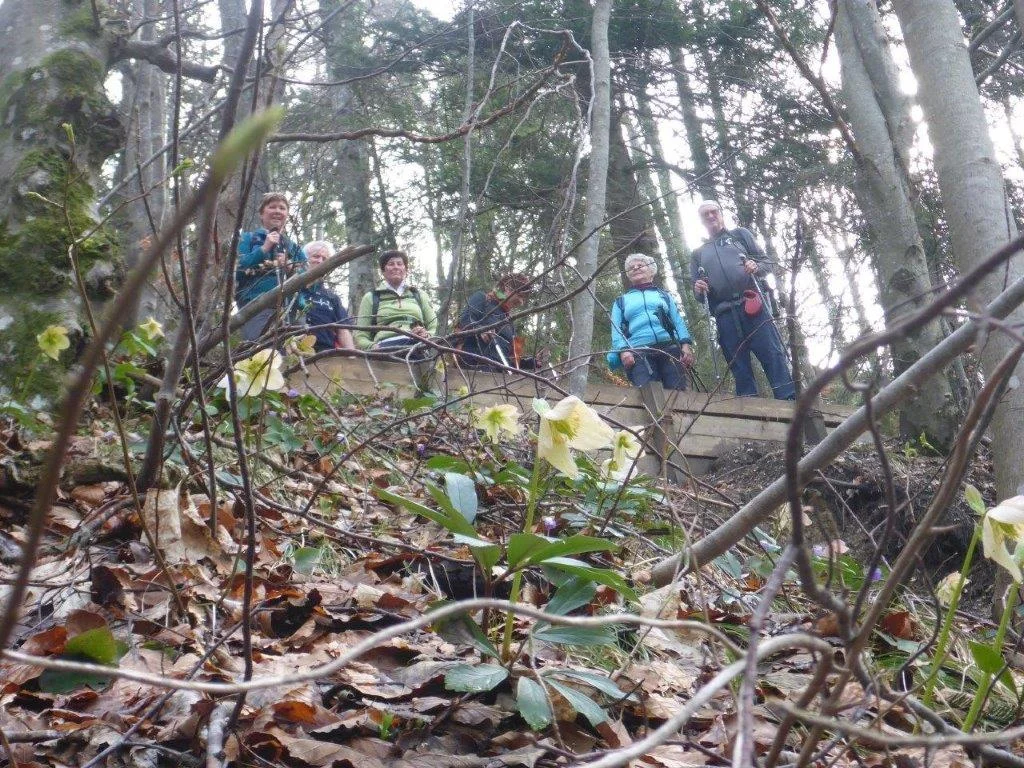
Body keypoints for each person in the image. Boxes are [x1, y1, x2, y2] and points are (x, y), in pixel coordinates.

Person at [690, 200, 795, 400]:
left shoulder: (740, 235)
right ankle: (749, 406)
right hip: (724, 313)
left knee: (772, 353)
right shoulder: (698, 254)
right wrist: (698, 288)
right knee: (737, 362)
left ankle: (789, 399)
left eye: (714, 212)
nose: (710, 216)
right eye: (705, 214)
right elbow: (698, 294)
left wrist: (756, 266)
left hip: (753, 304)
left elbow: (766, 262)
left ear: (721, 214)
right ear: (701, 220)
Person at [607, 253, 695, 390]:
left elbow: (678, 321)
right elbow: (616, 329)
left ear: (651, 271)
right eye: (631, 267)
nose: (635, 268)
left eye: (640, 265)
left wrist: (685, 345)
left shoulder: (664, 296)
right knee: (647, 394)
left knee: (677, 393)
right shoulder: (621, 301)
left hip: (670, 349)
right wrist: (624, 351)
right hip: (638, 352)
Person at [236, 192, 306, 342]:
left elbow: (309, 279)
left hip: (291, 308)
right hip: (257, 306)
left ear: (287, 215)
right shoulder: (248, 239)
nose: (277, 211)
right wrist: (264, 249)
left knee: (296, 352)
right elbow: (237, 270)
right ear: (261, 214)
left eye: (282, 208)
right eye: (272, 207)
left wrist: (289, 266)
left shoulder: (293, 247)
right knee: (262, 349)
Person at [454, 273, 546, 369]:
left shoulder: (509, 322)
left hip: (500, 375)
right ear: (507, 288)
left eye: (523, 298)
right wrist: (479, 329)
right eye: (520, 296)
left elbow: (510, 359)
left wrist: (530, 362)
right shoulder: (482, 299)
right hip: (472, 369)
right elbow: (464, 320)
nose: (521, 302)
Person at [353, 250, 438, 354]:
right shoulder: (371, 297)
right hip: (385, 347)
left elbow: (433, 324)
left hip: (417, 345)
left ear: (405, 269)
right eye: (391, 264)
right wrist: (372, 346)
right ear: (383, 271)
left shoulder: (419, 295)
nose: (396, 267)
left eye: (399, 264)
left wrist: (427, 335)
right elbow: (361, 334)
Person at [302, 241, 355, 352]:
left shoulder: (332, 297)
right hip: (292, 349)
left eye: (324, 259)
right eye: (316, 256)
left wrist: (352, 356)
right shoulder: (291, 290)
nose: (320, 261)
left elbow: (343, 330)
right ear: (304, 259)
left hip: (325, 353)